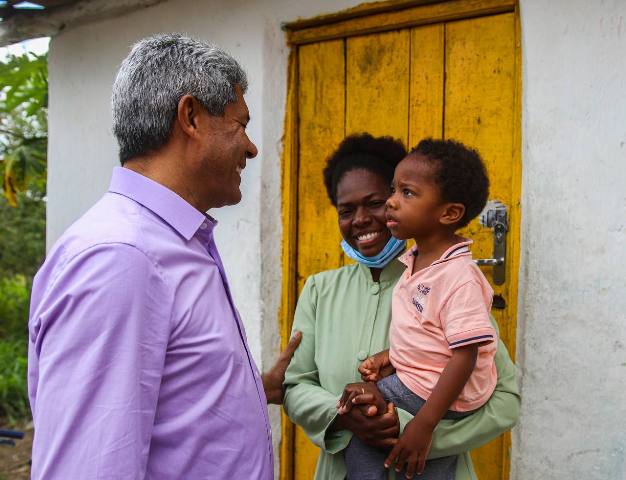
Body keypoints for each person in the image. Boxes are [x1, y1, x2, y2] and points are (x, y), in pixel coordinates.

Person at [27, 34, 300, 479]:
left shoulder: (170, 243)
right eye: (240, 124)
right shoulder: (122, 258)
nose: (251, 148)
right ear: (190, 117)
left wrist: (248, 389)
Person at [283, 133, 520, 480]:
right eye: (346, 211)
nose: (361, 219)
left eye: (377, 201)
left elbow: (505, 401)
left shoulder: (447, 282)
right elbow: (295, 387)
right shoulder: (319, 291)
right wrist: (342, 416)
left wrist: (413, 431)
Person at [337, 139, 496, 479]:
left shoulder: (458, 276)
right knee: (419, 465)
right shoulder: (419, 261)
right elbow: (431, 335)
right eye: (394, 190)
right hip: (422, 384)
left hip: (435, 396)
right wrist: (391, 356)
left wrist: (424, 424)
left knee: (364, 419)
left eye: (407, 193)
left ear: (449, 213)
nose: (391, 202)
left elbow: (464, 355)